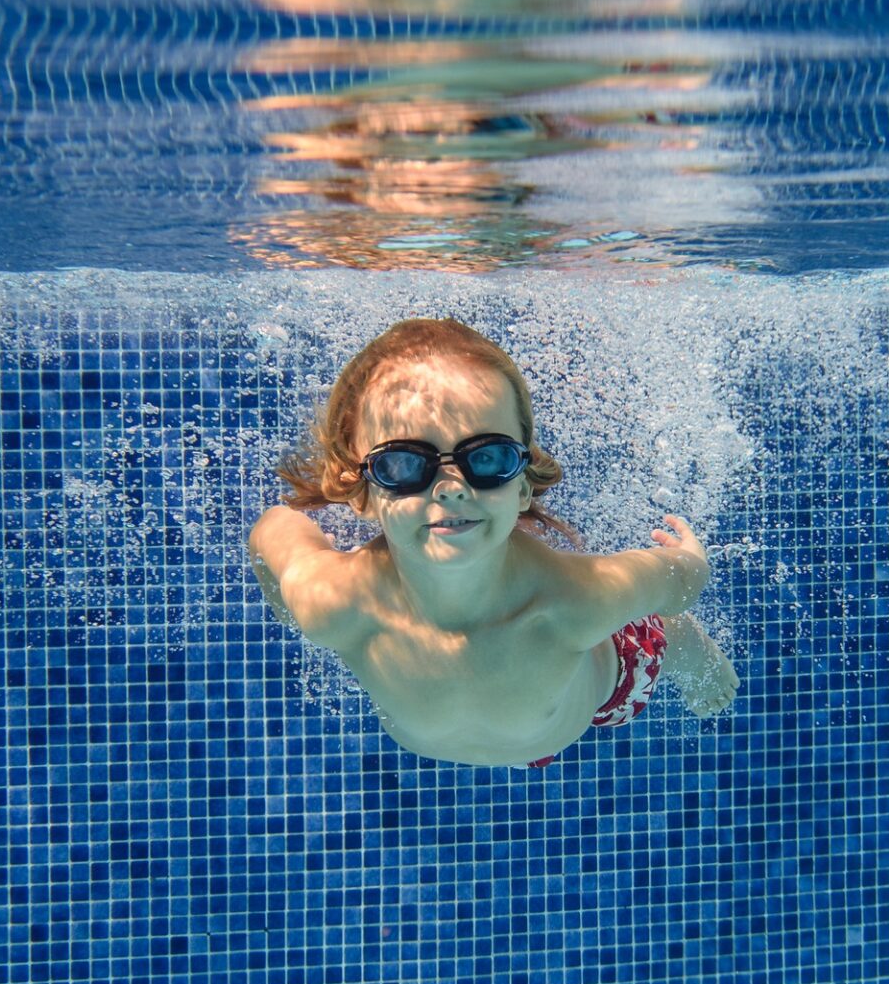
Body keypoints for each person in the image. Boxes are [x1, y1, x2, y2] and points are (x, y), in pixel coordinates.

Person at [248, 317, 740, 767]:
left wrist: (689, 559)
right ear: (360, 491)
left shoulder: (576, 601)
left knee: (651, 629)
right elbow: (271, 531)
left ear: (523, 485)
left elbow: (680, 582)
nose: (451, 486)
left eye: (487, 459)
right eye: (402, 465)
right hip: (530, 727)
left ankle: (680, 638)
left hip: (602, 692)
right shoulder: (331, 603)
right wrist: (292, 609)